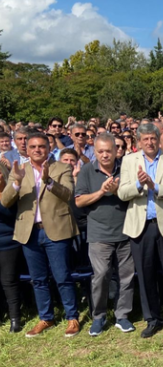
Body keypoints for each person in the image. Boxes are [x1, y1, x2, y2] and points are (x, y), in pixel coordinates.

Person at [1, 132, 80, 337]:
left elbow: (69, 195)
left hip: (56, 229)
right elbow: (5, 201)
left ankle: (72, 317)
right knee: (38, 279)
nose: (37, 150)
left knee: (62, 276)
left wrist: (49, 181)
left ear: (49, 148)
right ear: (26, 149)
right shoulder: (19, 170)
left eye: (42, 147)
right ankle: (46, 318)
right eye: (33, 147)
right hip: (30, 232)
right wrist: (16, 183)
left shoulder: (61, 168)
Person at [117, 123, 163, 338]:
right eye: (145, 139)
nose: (149, 142)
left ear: (158, 139)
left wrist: (154, 186)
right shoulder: (129, 161)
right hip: (141, 226)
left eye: (152, 138)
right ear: (139, 141)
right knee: (146, 273)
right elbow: (122, 193)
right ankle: (153, 318)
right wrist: (140, 186)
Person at [74, 133, 135, 336]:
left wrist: (117, 191)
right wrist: (101, 192)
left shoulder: (126, 169)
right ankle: (99, 316)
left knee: (126, 277)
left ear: (116, 150)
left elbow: (134, 196)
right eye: (100, 151)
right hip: (99, 234)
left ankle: (122, 316)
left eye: (108, 151)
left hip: (125, 231)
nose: (105, 155)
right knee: (100, 277)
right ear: (95, 152)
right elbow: (79, 201)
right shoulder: (86, 171)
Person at [0, 163, 21, 333]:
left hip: (8, 242)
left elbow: (9, 215)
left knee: (8, 281)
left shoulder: (13, 191)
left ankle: (15, 318)